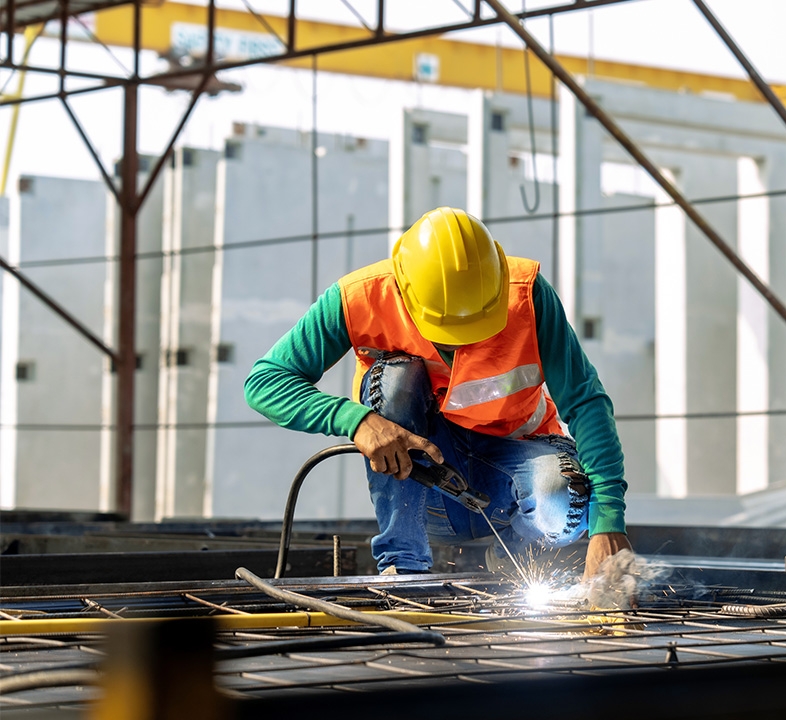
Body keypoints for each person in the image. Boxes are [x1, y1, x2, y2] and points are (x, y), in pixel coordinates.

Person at [244, 207, 630, 578]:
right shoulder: (360, 298)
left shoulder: (527, 296)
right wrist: (356, 420)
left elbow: (586, 401)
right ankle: (403, 565)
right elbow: (265, 381)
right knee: (396, 382)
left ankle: (515, 556)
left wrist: (609, 523)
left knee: (561, 500)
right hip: (427, 483)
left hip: (514, 472)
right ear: (404, 291)